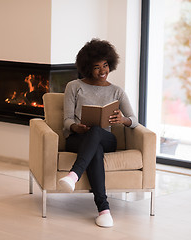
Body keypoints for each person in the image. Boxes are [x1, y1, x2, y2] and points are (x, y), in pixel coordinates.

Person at [59, 39, 138, 228]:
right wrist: (75, 127)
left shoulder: (117, 91)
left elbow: (134, 120)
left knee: (97, 132)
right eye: (96, 67)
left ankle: (73, 175)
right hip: (78, 138)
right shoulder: (74, 86)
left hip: (107, 138)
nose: (102, 71)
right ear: (87, 68)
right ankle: (104, 210)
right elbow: (67, 120)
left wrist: (123, 120)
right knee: (95, 149)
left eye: (105, 65)